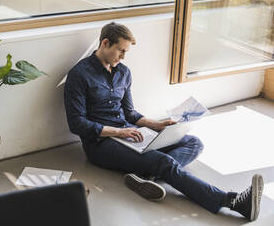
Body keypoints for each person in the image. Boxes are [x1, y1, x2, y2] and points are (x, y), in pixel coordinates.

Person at [63, 22, 264, 221]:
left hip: (130, 132)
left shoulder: (123, 72)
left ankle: (146, 178)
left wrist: (156, 125)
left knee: (193, 142)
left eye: (126, 52)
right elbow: (77, 124)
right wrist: (119, 133)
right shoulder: (79, 75)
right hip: (101, 145)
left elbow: (130, 113)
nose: (123, 57)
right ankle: (232, 202)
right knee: (163, 162)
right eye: (120, 51)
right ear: (105, 43)